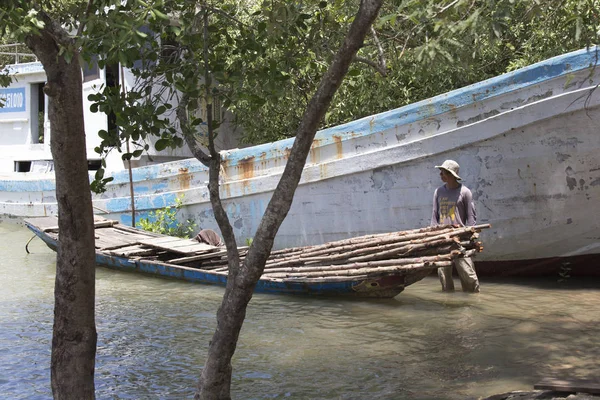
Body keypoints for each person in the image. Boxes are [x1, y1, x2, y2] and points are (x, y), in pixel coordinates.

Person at [431, 159, 480, 293]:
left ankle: (473, 299)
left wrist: (470, 236)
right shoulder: (438, 192)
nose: (441, 175)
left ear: (452, 174)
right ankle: (448, 303)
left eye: (444, 172)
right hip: (443, 238)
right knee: (444, 275)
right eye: (440, 172)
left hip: (460, 239)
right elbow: (435, 216)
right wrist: (434, 237)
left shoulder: (465, 192)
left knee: (468, 274)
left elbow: (471, 217)